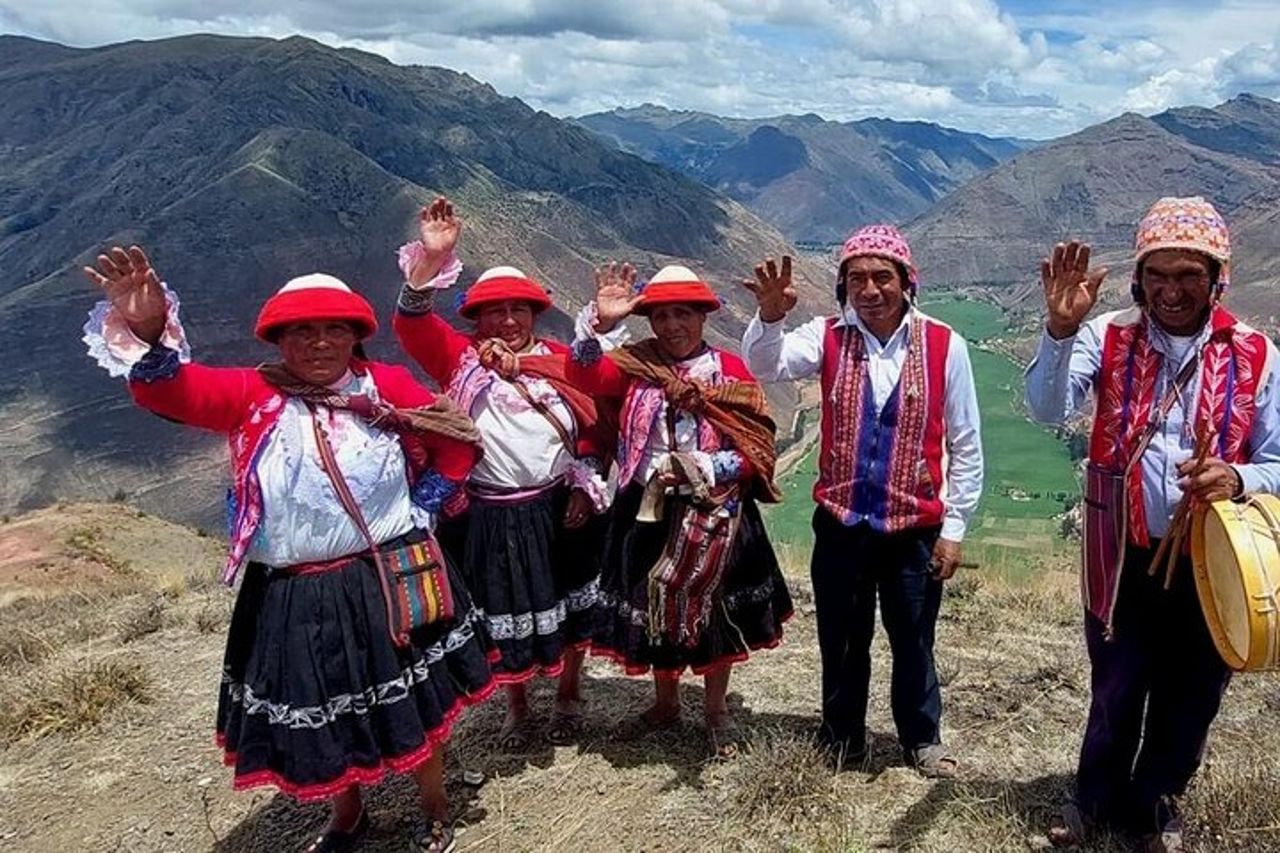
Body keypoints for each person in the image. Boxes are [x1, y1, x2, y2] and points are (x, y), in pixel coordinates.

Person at [82, 246, 495, 853]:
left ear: (355, 336)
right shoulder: (252, 394)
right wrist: (148, 331)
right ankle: (349, 812)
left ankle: (433, 803)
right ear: (279, 340)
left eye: (335, 329)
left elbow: (456, 439)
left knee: (415, 699)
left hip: (386, 571)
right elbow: (174, 394)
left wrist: (426, 503)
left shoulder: (387, 386)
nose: (320, 342)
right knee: (324, 704)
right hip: (296, 590)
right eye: (302, 331)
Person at [1025, 196, 1280, 852]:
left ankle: (1156, 800)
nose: (1170, 290)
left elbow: (1279, 459)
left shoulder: (1258, 354)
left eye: (1188, 275)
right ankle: (1093, 798)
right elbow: (1046, 409)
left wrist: (1239, 477)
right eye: (1157, 275)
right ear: (1138, 277)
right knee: (1117, 680)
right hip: (1124, 552)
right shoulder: (1105, 334)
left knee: (1194, 688)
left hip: (1215, 559)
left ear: (1217, 277)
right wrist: (1057, 332)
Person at [512, 261, 794, 758]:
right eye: (661, 318)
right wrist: (600, 326)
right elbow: (583, 372)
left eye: (682, 315)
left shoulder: (728, 373)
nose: (671, 327)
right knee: (653, 614)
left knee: (713, 613)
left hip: (715, 511)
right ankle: (665, 704)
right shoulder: (632, 365)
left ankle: (715, 711)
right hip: (645, 512)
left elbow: (755, 447)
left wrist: (703, 464)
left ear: (703, 319)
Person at [740, 225, 983, 777]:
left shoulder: (946, 345)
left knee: (914, 639)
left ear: (906, 282)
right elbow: (765, 365)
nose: (869, 289)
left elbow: (965, 443)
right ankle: (841, 738)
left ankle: (922, 738)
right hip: (842, 524)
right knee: (843, 640)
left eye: (882, 277)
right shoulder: (825, 337)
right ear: (843, 286)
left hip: (912, 529)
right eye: (856, 279)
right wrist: (771, 317)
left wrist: (955, 526)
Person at [393, 198, 610, 749]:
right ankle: (517, 706)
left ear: (534, 315)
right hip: (492, 510)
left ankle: (568, 692)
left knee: (570, 599)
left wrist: (584, 474)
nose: (508, 320)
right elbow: (412, 324)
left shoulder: (562, 361)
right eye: (495, 311)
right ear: (476, 318)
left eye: (518, 310)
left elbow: (591, 423)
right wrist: (430, 262)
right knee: (503, 609)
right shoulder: (459, 360)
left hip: (560, 504)